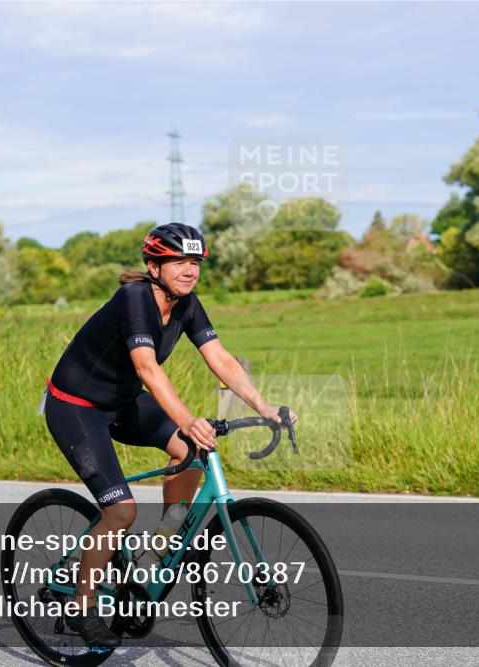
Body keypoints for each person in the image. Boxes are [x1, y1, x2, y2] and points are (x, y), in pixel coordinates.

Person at [43, 223, 298, 647]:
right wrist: (187, 418)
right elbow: (147, 368)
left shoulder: (187, 305)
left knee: (191, 451)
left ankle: (157, 549)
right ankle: (81, 607)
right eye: (179, 262)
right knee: (121, 512)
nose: (189, 271)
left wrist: (264, 406)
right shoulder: (134, 299)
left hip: (123, 402)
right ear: (154, 266)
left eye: (195, 263)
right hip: (76, 408)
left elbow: (221, 358)